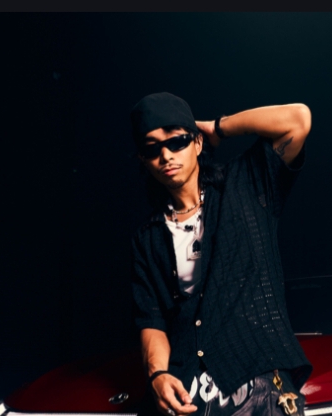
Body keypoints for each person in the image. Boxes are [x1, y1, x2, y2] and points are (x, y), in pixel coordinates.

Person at [130, 92, 313, 416]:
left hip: (259, 388)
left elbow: (298, 120)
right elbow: (151, 319)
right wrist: (158, 375)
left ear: (197, 143)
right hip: (188, 394)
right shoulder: (148, 237)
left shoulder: (245, 185)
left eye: (177, 141)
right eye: (152, 148)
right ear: (143, 160)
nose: (166, 155)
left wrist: (217, 127)